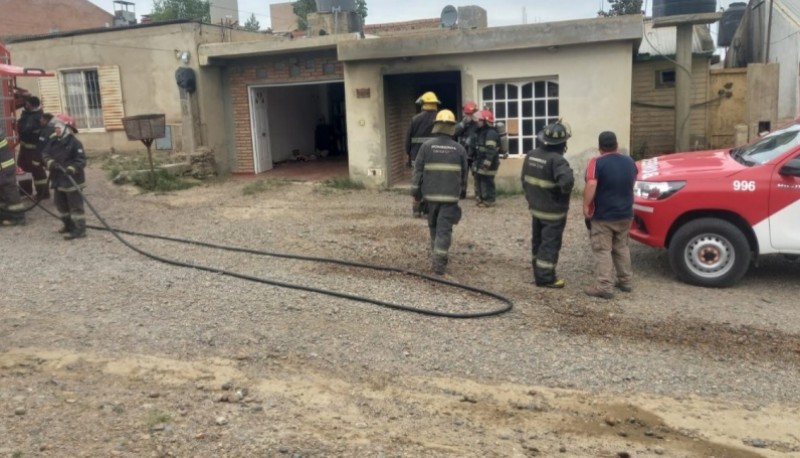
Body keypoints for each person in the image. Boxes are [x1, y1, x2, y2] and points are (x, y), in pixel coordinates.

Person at [410, 109, 468, 275]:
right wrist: (462, 192)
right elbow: (464, 174)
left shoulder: (426, 147)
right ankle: (439, 263)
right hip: (450, 198)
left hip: (430, 197)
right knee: (445, 229)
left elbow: (418, 171)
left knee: (433, 226)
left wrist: (415, 192)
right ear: (452, 127)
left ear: (436, 126)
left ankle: (436, 254)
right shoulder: (459, 150)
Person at [583, 131, 638, 299]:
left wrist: (586, 206)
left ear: (600, 147)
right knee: (621, 247)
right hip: (625, 214)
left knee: (603, 250)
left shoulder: (596, 162)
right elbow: (633, 181)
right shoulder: (630, 161)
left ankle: (604, 286)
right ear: (616, 144)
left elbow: (591, 183)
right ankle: (625, 281)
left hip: (603, 216)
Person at [521, 120, 574, 288]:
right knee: (550, 244)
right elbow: (566, 183)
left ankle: (538, 271)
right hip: (553, 213)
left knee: (538, 241)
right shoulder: (558, 161)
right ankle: (545, 278)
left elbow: (524, 180)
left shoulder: (531, 155)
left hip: (536, 209)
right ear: (562, 143)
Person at [43, 114, 87, 240]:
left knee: (75, 207)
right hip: (58, 180)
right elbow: (45, 153)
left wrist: (72, 168)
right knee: (61, 205)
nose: (56, 129)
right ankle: (68, 226)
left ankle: (79, 230)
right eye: (55, 127)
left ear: (67, 128)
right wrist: (49, 162)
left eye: (58, 127)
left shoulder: (75, 143)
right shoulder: (53, 141)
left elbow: (81, 160)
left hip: (72, 181)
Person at [405, 91, 440, 217]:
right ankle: (428, 211)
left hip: (416, 157)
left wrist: (408, 154)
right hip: (434, 157)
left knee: (417, 182)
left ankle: (416, 209)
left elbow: (408, 139)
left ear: (423, 104)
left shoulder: (415, 119)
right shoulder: (439, 119)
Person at [16, 96, 50, 200]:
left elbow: (26, 131)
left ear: (31, 105)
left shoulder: (38, 117)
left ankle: (43, 193)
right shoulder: (27, 114)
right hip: (24, 148)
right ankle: (25, 192)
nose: (25, 104)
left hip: (35, 149)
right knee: (22, 168)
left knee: (37, 170)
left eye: (27, 103)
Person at [473, 109, 500, 207]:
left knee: (487, 181)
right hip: (481, 160)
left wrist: (487, 162)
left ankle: (489, 199)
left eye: (480, 120)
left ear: (485, 121)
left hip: (489, 162)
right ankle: (481, 198)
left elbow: (491, 149)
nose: (477, 122)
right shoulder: (481, 132)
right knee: (480, 179)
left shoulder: (491, 133)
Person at [0, 128, 26, 226]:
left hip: (5, 168)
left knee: (9, 190)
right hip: (3, 167)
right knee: (2, 192)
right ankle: (4, 215)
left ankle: (18, 217)